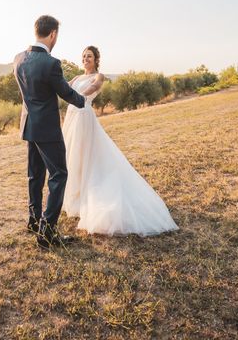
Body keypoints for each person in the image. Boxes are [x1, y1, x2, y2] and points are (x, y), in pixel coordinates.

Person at [62, 46, 179, 236]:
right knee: (72, 155)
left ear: (96, 59)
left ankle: (90, 196)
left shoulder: (98, 77)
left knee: (85, 155)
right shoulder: (76, 78)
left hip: (84, 117)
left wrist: (74, 97)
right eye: (83, 56)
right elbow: (62, 87)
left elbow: (93, 89)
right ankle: (74, 196)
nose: (85, 59)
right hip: (71, 118)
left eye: (89, 56)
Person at [13, 15, 86, 249]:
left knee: (34, 175)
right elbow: (65, 92)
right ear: (53, 34)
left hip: (29, 126)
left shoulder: (18, 59)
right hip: (47, 129)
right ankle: (47, 232)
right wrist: (83, 100)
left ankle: (34, 221)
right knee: (59, 175)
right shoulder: (51, 63)